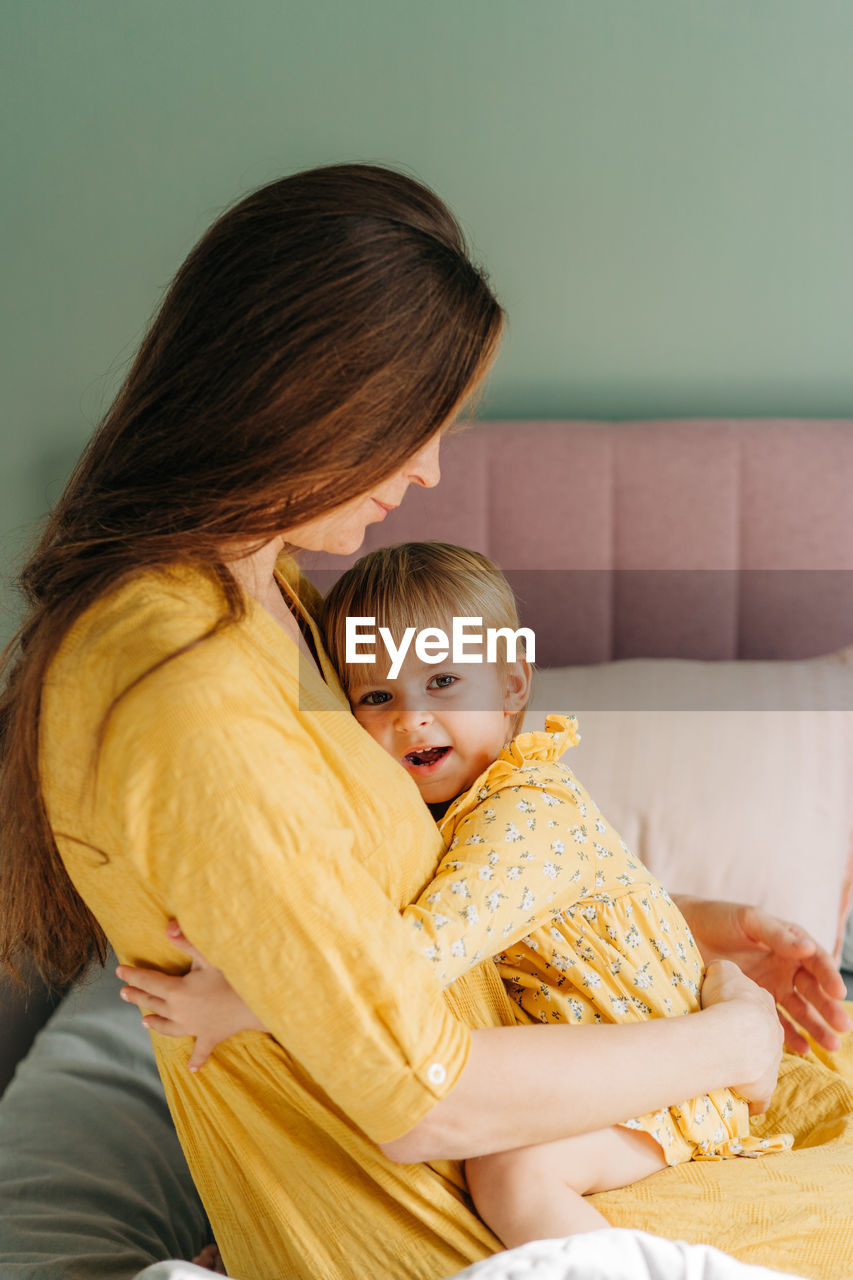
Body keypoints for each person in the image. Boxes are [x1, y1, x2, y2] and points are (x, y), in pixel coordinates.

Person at [0, 163, 847, 1280]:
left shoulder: (256, 594)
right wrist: (726, 1038)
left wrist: (686, 924)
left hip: (533, 1138)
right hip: (462, 1222)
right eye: (416, 426)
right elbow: (419, 1094)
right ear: (310, 398)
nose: (431, 467)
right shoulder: (185, 686)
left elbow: (406, 898)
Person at [119, 541, 794, 1252]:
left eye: (442, 681)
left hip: (665, 1085)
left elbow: (417, 958)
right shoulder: (440, 814)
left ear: (511, 686)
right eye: (377, 697)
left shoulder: (527, 812)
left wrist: (252, 999)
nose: (411, 719)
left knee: (513, 1171)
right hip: (578, 1061)